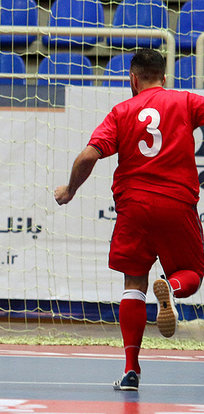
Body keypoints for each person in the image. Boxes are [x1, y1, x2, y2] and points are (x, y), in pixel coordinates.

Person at [54, 49, 204, 391]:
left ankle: (131, 370)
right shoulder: (185, 101)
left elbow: (87, 156)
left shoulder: (121, 111)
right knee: (193, 273)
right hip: (176, 203)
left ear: (132, 79)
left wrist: (70, 190)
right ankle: (172, 289)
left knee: (133, 284)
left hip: (133, 207)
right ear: (164, 78)